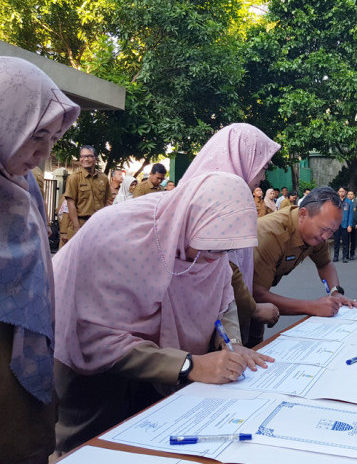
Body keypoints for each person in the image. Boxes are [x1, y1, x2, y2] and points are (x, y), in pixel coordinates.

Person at [52, 172, 274, 453]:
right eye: (210, 247)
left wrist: (230, 343)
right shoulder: (121, 236)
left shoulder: (209, 244)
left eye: (224, 249)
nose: (214, 258)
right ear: (190, 220)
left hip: (161, 367)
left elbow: (220, 298)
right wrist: (190, 366)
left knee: (146, 441)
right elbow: (96, 338)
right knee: (89, 446)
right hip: (92, 372)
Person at [0, 56, 80, 464]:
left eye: (53, 138)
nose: (44, 152)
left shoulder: (24, 185)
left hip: (26, 352)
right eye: (37, 135)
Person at [178, 122, 281, 346]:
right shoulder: (215, 199)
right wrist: (251, 311)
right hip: (205, 324)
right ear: (242, 159)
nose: (263, 177)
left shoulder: (236, 197)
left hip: (231, 314)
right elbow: (226, 270)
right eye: (262, 167)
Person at [245, 187, 357, 347]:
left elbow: (325, 263)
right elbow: (257, 294)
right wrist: (312, 307)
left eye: (332, 232)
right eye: (324, 230)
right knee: (240, 348)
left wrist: (335, 292)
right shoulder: (270, 234)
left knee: (255, 345)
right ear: (303, 214)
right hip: (234, 300)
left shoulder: (318, 232)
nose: (326, 237)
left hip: (259, 292)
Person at [61, 145, 111, 248]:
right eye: (82, 156)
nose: (85, 159)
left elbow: (107, 201)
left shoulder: (103, 178)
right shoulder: (74, 178)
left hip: (98, 225)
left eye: (89, 156)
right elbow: (70, 204)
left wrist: (104, 223)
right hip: (80, 223)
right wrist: (76, 227)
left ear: (96, 158)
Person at [332, 186, 353, 263]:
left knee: (345, 242)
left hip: (345, 225)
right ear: (338, 192)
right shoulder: (335, 201)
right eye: (340, 191)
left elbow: (351, 214)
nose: (341, 193)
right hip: (336, 225)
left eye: (343, 191)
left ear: (345, 192)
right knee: (336, 241)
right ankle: (335, 256)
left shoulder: (349, 202)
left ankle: (345, 257)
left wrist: (349, 225)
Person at [347, 189, 357, 260]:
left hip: (353, 224)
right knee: (346, 240)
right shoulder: (345, 203)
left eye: (351, 194)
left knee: (353, 240)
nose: (350, 195)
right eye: (349, 194)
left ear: (354, 195)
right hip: (346, 225)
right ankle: (346, 254)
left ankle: (352, 253)